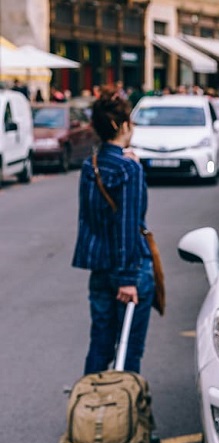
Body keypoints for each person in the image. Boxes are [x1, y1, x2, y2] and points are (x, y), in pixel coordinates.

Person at [72, 86, 155, 376]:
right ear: (122, 125)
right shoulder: (128, 170)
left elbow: (91, 219)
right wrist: (128, 279)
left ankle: (89, 412)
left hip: (100, 268)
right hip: (129, 269)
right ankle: (124, 416)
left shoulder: (89, 166)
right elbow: (128, 226)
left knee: (101, 344)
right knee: (128, 350)